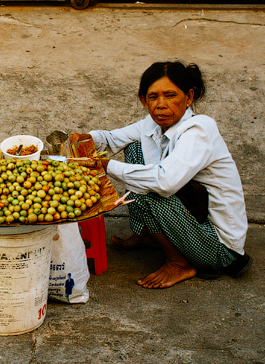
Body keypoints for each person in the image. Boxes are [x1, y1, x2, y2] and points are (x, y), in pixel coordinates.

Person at [75, 61, 251, 289]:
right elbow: (113, 139)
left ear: (188, 98)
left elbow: (164, 182)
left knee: (150, 188)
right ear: (143, 101)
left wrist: (104, 165)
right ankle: (149, 234)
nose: (161, 105)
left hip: (217, 247)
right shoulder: (153, 124)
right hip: (191, 218)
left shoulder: (199, 130)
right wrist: (84, 138)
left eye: (170, 96)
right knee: (136, 149)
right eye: (153, 97)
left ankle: (179, 262)